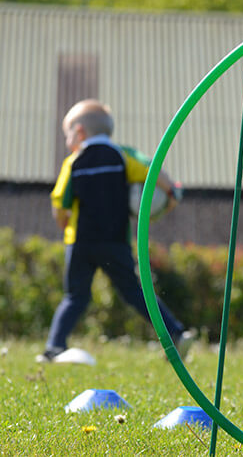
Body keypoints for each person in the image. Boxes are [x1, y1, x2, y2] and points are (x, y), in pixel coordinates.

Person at [37, 99, 193, 362]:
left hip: (81, 242)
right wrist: (171, 193)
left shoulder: (73, 163)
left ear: (79, 132)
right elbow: (153, 170)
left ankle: (54, 346)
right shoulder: (123, 155)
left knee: (75, 296)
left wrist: (65, 226)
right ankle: (175, 333)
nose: (67, 140)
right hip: (114, 242)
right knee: (135, 292)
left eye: (67, 135)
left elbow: (59, 204)